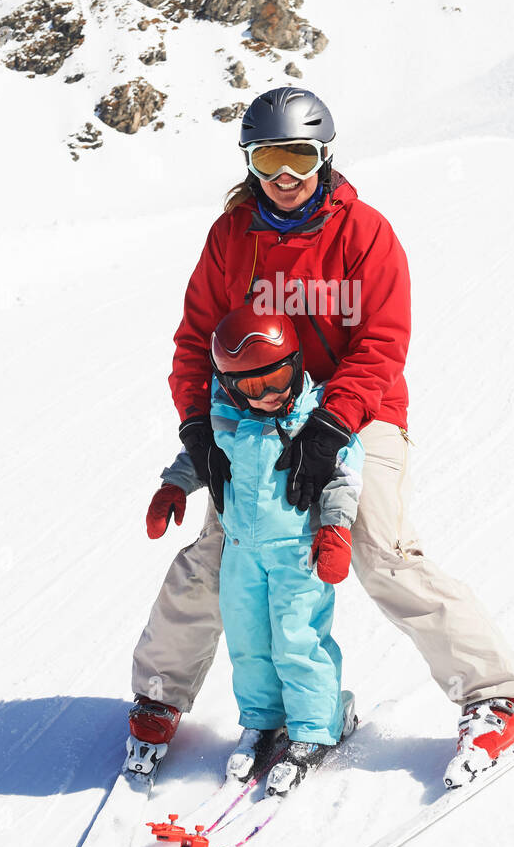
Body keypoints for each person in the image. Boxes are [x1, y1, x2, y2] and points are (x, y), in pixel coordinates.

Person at [127, 87, 514, 790]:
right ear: (249, 162)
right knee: (222, 549)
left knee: (378, 550)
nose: (285, 177)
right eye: (269, 158)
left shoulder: (364, 234)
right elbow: (196, 340)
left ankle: (502, 693)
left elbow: (383, 343)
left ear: (324, 156)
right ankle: (159, 695)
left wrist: (331, 423)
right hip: (259, 410)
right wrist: (198, 426)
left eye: (299, 156)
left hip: (359, 412)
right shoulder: (231, 237)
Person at [141, 305, 362, 794]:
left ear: (298, 364)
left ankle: (314, 728)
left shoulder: (317, 420)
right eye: (252, 388)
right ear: (228, 383)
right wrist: (174, 486)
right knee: (249, 644)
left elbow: (343, 478)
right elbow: (199, 459)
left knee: (298, 639)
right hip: (241, 553)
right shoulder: (224, 418)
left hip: (298, 555)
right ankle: (263, 722)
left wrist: (336, 530)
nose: (268, 397)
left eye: (278, 380)